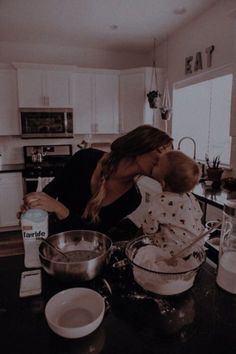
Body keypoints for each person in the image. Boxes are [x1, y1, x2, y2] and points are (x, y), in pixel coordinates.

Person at [19, 125, 173, 239]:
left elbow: (91, 234)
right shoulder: (85, 158)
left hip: (87, 253)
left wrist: (59, 208)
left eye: (168, 156)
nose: (163, 160)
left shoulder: (132, 199)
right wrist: (33, 206)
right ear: (140, 145)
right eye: (160, 151)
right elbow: (49, 193)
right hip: (55, 241)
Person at [142, 150, 205, 249]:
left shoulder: (159, 201)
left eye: (157, 164)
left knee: (144, 254)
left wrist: (148, 234)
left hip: (169, 252)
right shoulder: (191, 197)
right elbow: (198, 215)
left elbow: (149, 228)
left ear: (163, 183)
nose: (155, 163)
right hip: (194, 248)